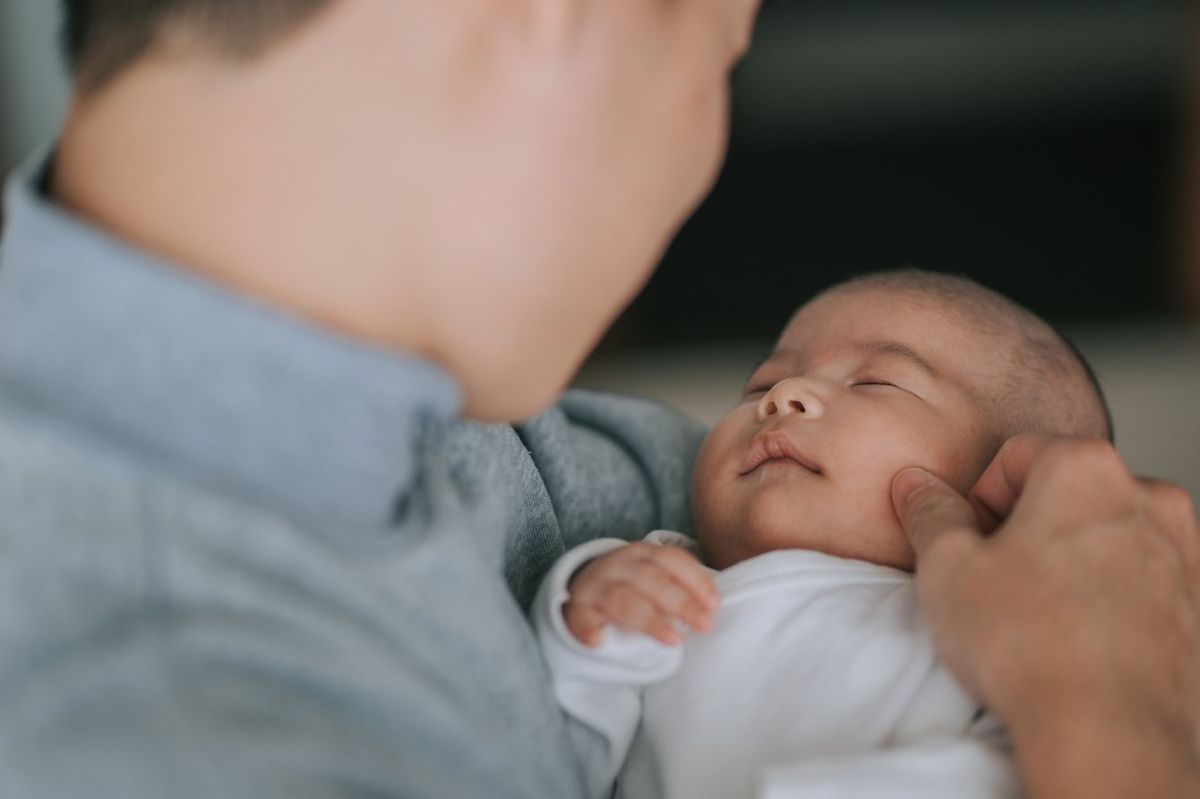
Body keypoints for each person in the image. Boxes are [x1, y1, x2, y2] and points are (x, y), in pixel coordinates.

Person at [0, 2, 1194, 797]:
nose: (701, 152)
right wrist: (1115, 729)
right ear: (561, 17)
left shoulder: (439, 414)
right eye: (720, 57)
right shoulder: (197, 722)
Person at [534, 270, 1110, 799]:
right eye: (762, 384)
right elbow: (558, 742)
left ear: (1005, 491)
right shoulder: (669, 581)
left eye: (876, 383)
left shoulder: (990, 628)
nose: (785, 397)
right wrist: (585, 611)